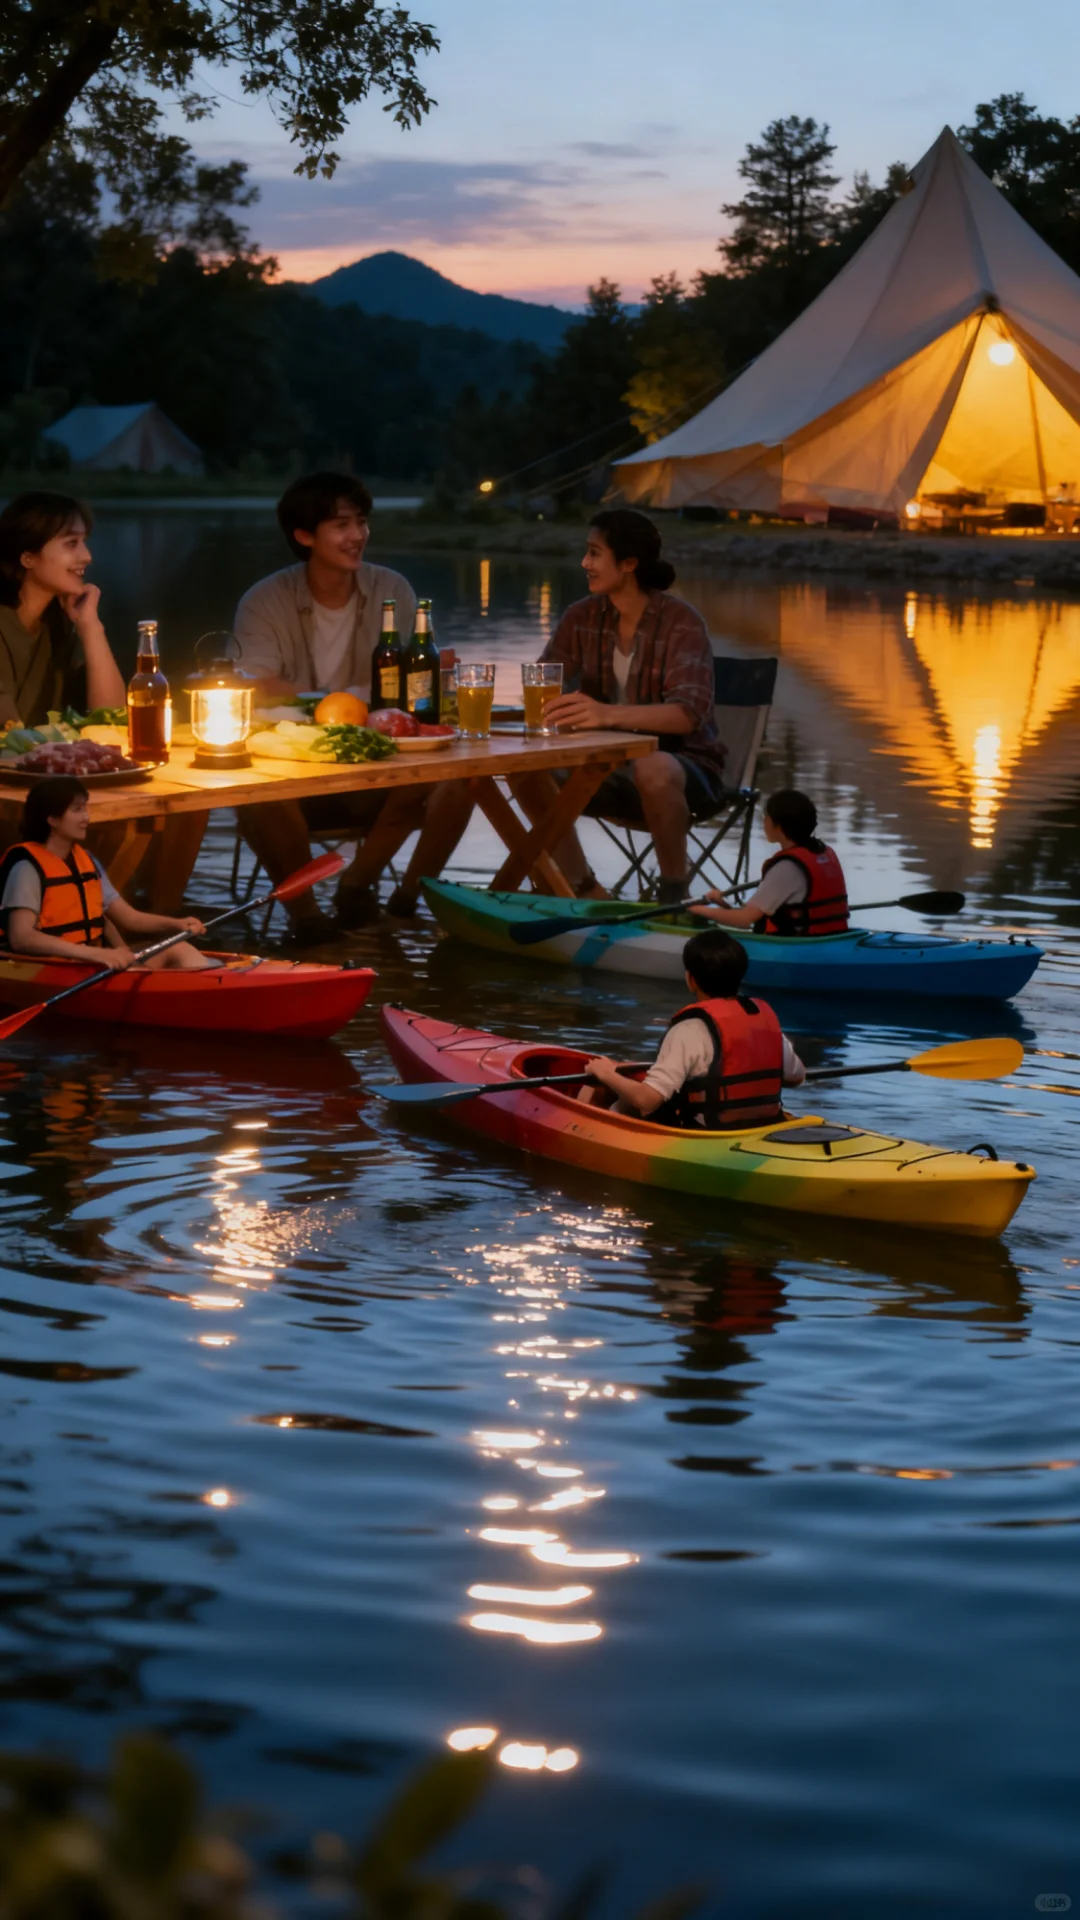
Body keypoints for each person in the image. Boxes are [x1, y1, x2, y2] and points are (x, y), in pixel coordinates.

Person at [233, 471, 471, 939]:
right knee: (256, 792)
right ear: (305, 536)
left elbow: (420, 674)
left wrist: (441, 675)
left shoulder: (393, 590)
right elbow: (258, 685)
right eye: (341, 525)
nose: (357, 535)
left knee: (461, 782)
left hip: (379, 765)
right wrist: (347, 702)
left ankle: (375, 890)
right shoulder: (265, 599)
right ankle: (306, 918)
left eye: (361, 522)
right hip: (297, 769)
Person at [517, 509, 726, 905]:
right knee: (524, 772)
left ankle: (672, 894)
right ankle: (581, 887)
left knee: (653, 765)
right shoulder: (582, 617)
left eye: (595, 553)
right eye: (586, 552)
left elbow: (686, 715)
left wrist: (605, 713)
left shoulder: (681, 622)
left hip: (685, 771)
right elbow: (543, 681)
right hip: (603, 768)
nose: (585, 563)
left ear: (629, 563)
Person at [585, 927, 805, 1127]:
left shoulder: (690, 1029)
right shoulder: (761, 1018)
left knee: (598, 1088)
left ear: (691, 979)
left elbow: (647, 1101)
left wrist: (605, 1073)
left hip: (708, 1133)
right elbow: (796, 1077)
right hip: (763, 1125)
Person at [0, 776, 210, 971]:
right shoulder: (26, 868)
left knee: (181, 949)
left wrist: (177, 924)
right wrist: (95, 954)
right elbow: (22, 937)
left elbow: (130, 918)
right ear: (52, 819)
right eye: (77, 810)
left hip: (89, 962)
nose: (86, 818)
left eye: (85, 809)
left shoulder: (86, 860)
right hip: (48, 967)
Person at [0, 492, 125, 728]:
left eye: (84, 542)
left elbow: (112, 718)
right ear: (28, 558)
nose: (87, 556)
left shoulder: (57, 628)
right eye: (71, 543)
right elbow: (8, 736)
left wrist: (91, 628)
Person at [690, 788, 849, 936]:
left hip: (797, 946)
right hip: (828, 937)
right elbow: (759, 915)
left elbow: (745, 920)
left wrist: (698, 910)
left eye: (767, 815)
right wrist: (721, 904)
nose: (764, 820)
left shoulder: (787, 867)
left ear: (779, 826)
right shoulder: (823, 852)